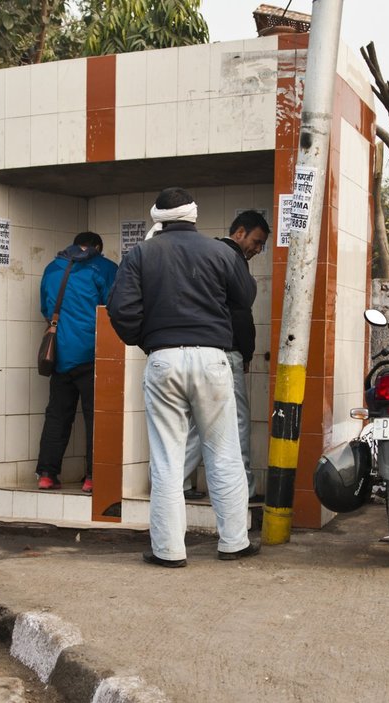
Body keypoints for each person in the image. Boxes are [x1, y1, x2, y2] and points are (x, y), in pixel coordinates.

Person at [106, 187, 258, 567]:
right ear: (193, 215)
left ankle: (169, 551)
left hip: (164, 359)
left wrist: (149, 342)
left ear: (159, 217)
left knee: (167, 460)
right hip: (213, 358)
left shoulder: (139, 254)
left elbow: (120, 309)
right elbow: (245, 298)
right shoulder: (221, 252)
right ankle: (234, 542)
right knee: (224, 454)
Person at [183, 210, 270, 502]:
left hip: (196, 349)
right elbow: (241, 313)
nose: (257, 250)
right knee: (237, 420)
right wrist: (246, 352)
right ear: (240, 232)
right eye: (256, 242)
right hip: (226, 351)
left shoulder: (205, 254)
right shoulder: (232, 260)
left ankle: (176, 483)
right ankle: (243, 489)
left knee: (199, 420)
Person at [35, 232, 118, 493]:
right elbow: (114, 309)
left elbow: (46, 310)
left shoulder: (52, 268)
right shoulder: (104, 268)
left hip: (60, 355)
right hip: (93, 354)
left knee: (57, 415)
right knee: (95, 418)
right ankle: (92, 477)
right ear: (98, 247)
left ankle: (47, 474)